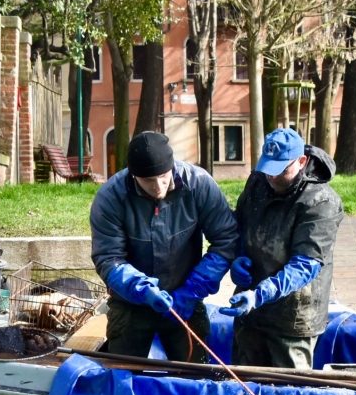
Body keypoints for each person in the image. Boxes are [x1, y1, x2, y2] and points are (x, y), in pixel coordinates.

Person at [91, 132, 238, 363]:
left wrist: (193, 289)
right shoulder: (111, 197)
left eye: (162, 177)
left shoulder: (199, 184)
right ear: (133, 175)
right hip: (130, 302)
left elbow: (226, 240)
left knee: (195, 378)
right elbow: (108, 258)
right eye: (148, 180)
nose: (158, 186)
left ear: (172, 167)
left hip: (186, 298)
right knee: (123, 375)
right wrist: (141, 289)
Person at [221, 128, 343, 370]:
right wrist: (238, 256)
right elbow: (239, 225)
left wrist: (260, 294)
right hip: (250, 311)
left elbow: (305, 266)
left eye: (281, 170)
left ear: (301, 161)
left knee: (290, 392)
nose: (272, 177)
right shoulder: (258, 181)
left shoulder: (320, 202)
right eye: (267, 168)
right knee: (245, 383)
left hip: (294, 315)